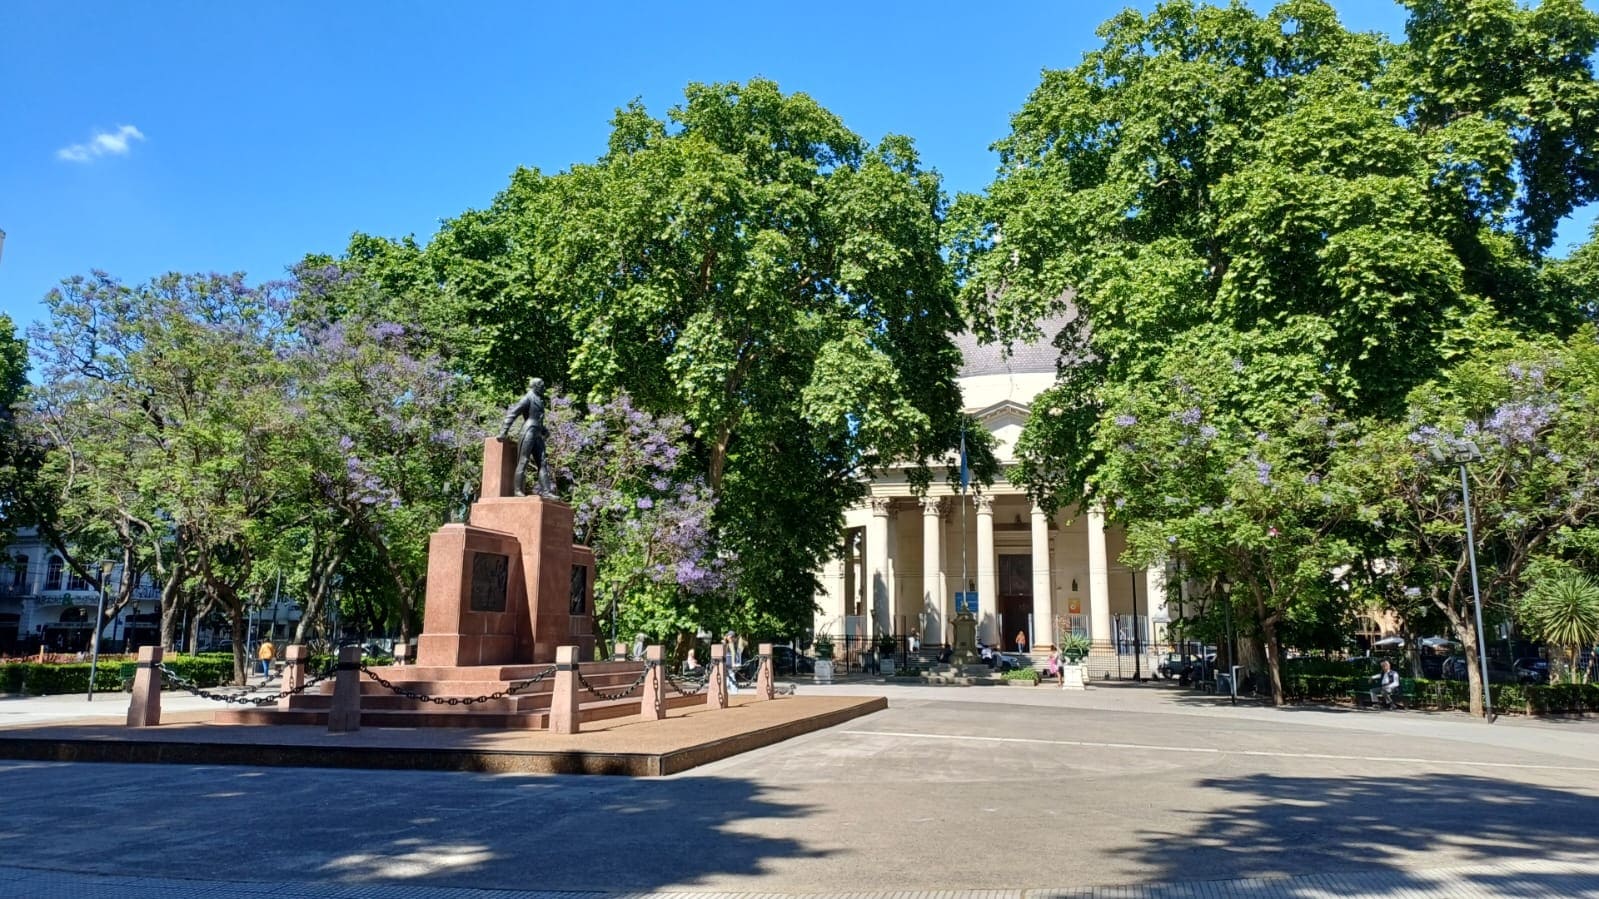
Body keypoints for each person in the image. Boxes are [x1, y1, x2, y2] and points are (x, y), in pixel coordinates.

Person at [498, 377, 553, 497]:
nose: (544, 387)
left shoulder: (539, 399)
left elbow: (537, 418)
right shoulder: (528, 398)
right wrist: (503, 431)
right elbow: (513, 413)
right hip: (528, 431)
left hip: (537, 433)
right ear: (535, 386)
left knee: (543, 463)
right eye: (541, 384)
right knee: (524, 460)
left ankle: (547, 492)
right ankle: (518, 491)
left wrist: (544, 430)